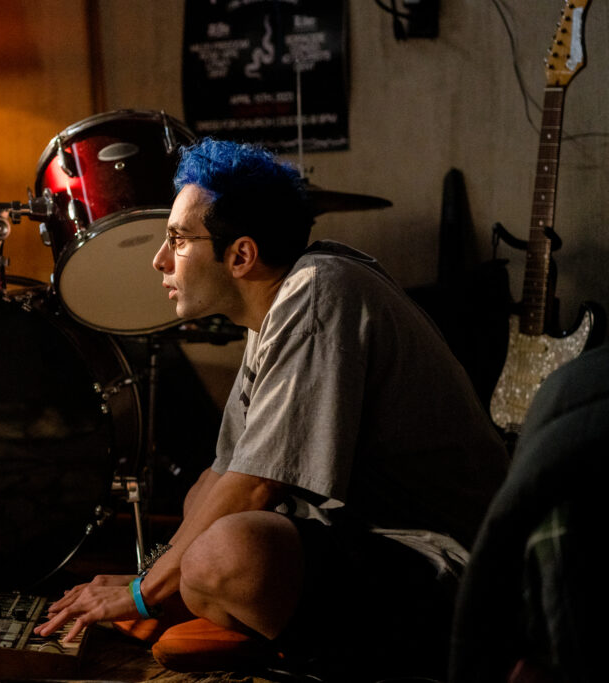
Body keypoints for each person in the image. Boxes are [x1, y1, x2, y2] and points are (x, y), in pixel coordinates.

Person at [34, 138, 509, 679]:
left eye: (178, 240)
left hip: (451, 567)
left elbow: (259, 484)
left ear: (240, 255)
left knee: (224, 555)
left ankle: (322, 653)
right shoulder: (275, 315)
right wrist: (148, 575)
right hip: (366, 546)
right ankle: (242, 618)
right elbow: (224, 475)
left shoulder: (319, 291)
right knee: (199, 503)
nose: (159, 260)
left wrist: (144, 594)